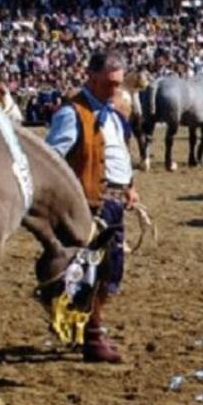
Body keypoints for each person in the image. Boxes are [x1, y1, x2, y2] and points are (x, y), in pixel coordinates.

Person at [45, 51, 138, 364]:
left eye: (118, 84)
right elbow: (53, 160)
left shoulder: (111, 114)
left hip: (112, 200)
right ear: (91, 76)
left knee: (111, 271)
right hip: (88, 205)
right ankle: (92, 334)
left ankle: (88, 326)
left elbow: (116, 153)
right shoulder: (73, 113)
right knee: (92, 272)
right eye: (109, 83)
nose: (115, 89)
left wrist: (129, 186)